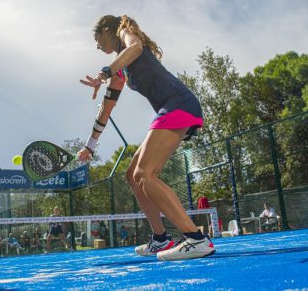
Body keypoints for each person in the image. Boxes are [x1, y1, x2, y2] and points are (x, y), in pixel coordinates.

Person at [78, 15, 215, 261]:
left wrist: (104, 72)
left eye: (96, 39)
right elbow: (107, 108)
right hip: (172, 108)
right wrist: (91, 145)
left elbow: (135, 47)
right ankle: (161, 239)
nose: (96, 46)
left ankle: (196, 239)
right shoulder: (121, 68)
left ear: (108, 30)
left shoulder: (126, 34)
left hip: (179, 104)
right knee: (133, 175)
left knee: (145, 174)